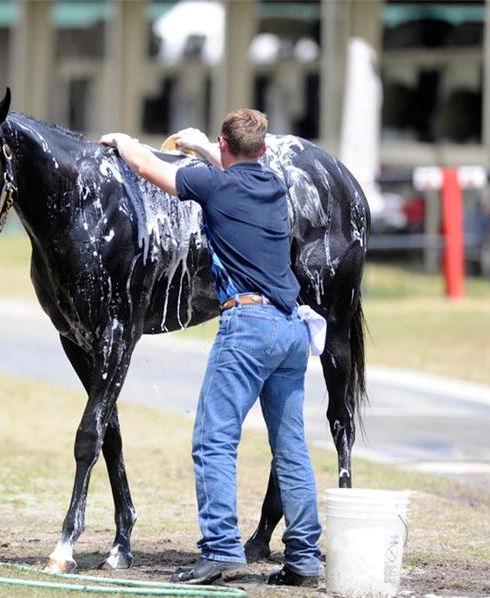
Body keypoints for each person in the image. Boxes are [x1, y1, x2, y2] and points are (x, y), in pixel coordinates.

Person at [100, 110, 321, 586]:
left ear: (224, 146)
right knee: (291, 446)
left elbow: (146, 167)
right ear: (262, 151)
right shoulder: (275, 186)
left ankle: (221, 549)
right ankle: (304, 557)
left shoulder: (212, 185)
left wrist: (122, 138)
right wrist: (208, 151)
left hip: (248, 324)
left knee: (214, 440)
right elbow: (235, 172)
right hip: (290, 328)